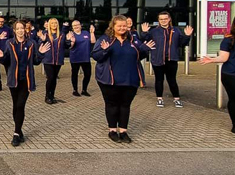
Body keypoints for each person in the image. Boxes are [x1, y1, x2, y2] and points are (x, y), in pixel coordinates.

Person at [91, 15, 156, 143]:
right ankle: (112, 130)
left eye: (124, 25)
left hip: (130, 79)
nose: (122, 28)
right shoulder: (105, 39)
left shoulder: (133, 40)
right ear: (113, 26)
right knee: (112, 105)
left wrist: (144, 50)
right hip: (109, 80)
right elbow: (96, 56)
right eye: (119, 26)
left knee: (125, 105)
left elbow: (137, 56)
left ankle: (123, 131)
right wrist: (105, 50)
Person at [0, 20, 47, 146]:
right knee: (16, 106)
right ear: (14, 31)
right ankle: (19, 130)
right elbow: (6, 61)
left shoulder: (32, 43)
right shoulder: (9, 43)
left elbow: (36, 61)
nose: (20, 31)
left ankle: (16, 134)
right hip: (13, 80)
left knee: (21, 105)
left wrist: (42, 54)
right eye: (18, 29)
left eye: (22, 28)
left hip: (26, 80)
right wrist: (1, 56)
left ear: (25, 30)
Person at [141, 12, 194, 108]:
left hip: (172, 59)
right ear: (159, 20)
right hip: (157, 59)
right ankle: (159, 99)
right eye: (161, 19)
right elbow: (144, 40)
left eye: (165, 19)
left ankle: (177, 99)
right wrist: (144, 32)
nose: (163, 21)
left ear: (169, 19)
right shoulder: (154, 31)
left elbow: (182, 44)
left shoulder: (176, 31)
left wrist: (187, 36)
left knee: (172, 80)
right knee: (159, 80)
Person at [37, 18, 68, 104]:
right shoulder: (45, 34)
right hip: (48, 59)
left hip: (58, 60)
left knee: (54, 78)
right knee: (50, 78)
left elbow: (66, 45)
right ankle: (47, 96)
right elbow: (40, 45)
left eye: (56, 23)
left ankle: (52, 95)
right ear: (49, 25)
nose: (54, 25)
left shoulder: (62, 34)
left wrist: (69, 40)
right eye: (52, 23)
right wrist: (42, 40)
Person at [67, 20, 96, 97]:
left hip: (85, 57)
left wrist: (92, 32)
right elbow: (69, 46)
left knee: (88, 74)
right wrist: (71, 41)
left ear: (80, 25)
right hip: (75, 58)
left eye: (77, 24)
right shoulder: (70, 34)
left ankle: (84, 90)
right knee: (74, 74)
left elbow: (93, 41)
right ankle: (75, 90)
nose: (76, 26)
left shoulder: (86, 33)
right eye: (74, 25)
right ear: (72, 27)